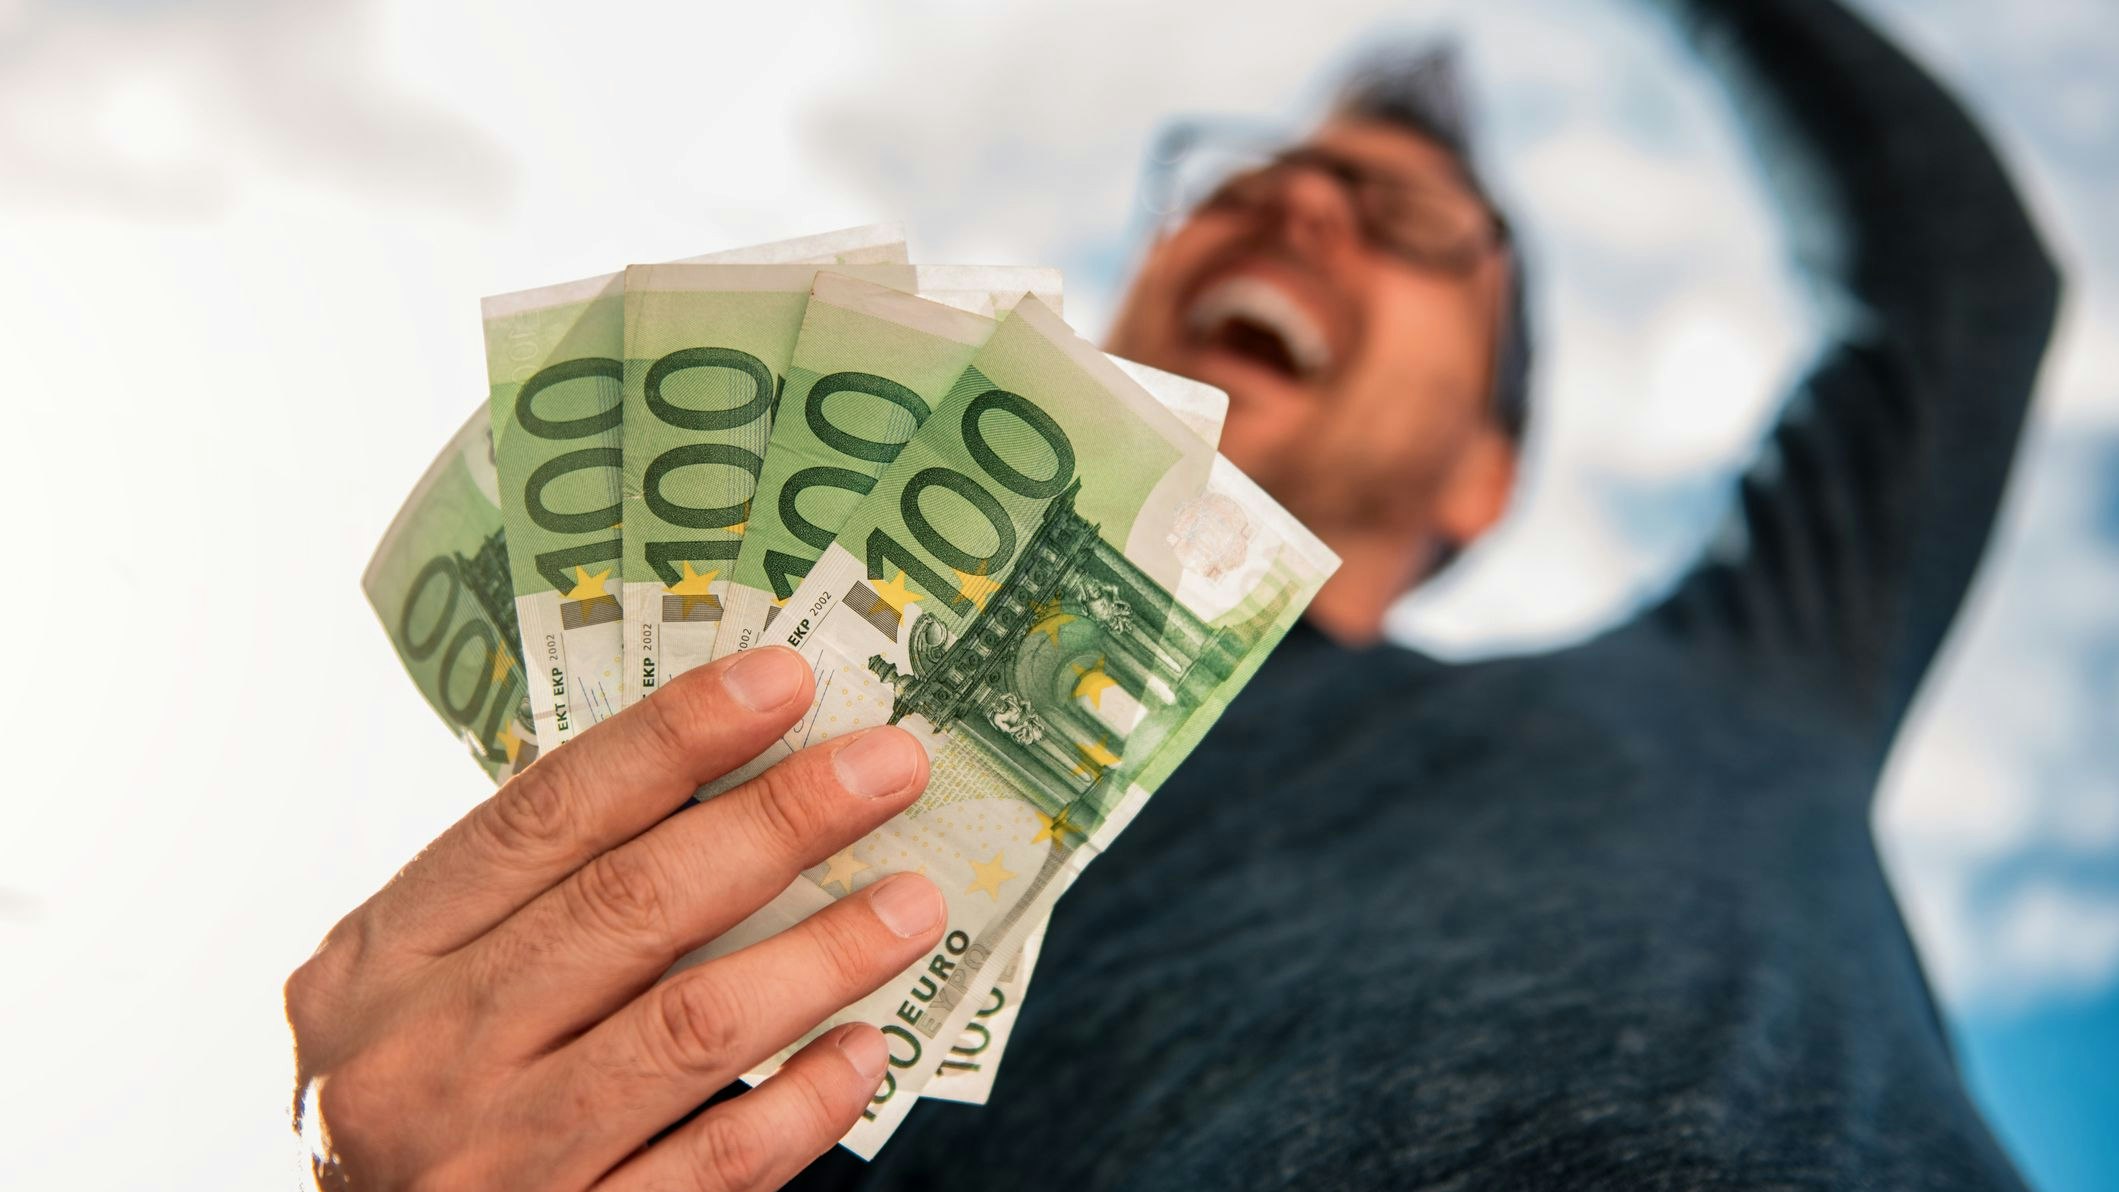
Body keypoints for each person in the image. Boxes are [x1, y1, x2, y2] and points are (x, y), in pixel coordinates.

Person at [284, 0, 2062, 1186]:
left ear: (1483, 476)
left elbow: (1962, 279)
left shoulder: (1743, 680)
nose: (1291, 212)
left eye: (1404, 217)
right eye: (1251, 186)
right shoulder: (775, 808)